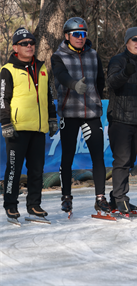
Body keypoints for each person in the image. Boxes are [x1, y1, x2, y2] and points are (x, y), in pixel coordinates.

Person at [51, 17, 108, 215]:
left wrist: (96, 96)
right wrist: (74, 85)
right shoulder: (59, 55)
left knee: (98, 156)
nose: (80, 38)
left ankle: (100, 198)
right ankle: (66, 197)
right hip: (70, 112)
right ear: (67, 36)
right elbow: (60, 75)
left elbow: (100, 79)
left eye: (83, 34)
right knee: (67, 156)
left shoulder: (93, 54)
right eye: (76, 34)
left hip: (91, 113)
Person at [1, 28, 57, 223]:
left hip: (38, 129)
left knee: (36, 170)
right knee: (14, 169)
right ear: (16, 47)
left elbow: (49, 97)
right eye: (24, 43)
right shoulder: (8, 70)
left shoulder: (42, 68)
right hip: (17, 129)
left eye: (32, 42)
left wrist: (52, 118)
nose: (29, 46)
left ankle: (34, 204)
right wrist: (5, 122)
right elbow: (2, 100)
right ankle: (10, 205)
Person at [106, 27, 137, 216]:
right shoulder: (117, 60)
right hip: (120, 119)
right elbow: (112, 84)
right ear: (127, 41)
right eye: (134, 39)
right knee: (122, 160)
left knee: (130, 161)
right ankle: (120, 198)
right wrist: (125, 73)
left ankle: (115, 196)